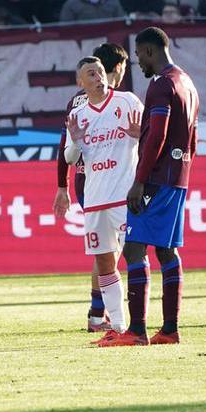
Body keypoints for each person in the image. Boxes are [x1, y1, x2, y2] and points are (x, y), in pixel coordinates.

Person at [100, 27, 199, 347]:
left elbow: (156, 134)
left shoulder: (160, 85)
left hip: (156, 179)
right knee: (167, 250)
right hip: (179, 176)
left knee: (133, 249)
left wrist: (139, 181)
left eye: (140, 55)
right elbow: (193, 137)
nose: (138, 63)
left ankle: (137, 330)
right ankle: (169, 329)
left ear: (151, 51)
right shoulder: (187, 82)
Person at [62, 57, 143, 340]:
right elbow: (70, 158)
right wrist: (78, 141)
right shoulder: (78, 115)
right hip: (95, 199)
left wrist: (140, 136)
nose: (98, 77)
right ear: (80, 83)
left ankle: (138, 324)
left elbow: (152, 138)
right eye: (90, 74)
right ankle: (118, 327)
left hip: (124, 197)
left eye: (99, 72)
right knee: (105, 264)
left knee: (135, 257)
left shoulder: (128, 102)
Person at [53, 42, 130, 332]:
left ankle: (100, 314)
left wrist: (63, 185)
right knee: (114, 251)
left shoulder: (78, 99)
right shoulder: (114, 101)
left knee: (107, 250)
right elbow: (68, 145)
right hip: (108, 184)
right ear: (119, 68)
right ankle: (100, 315)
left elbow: (63, 148)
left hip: (88, 183)